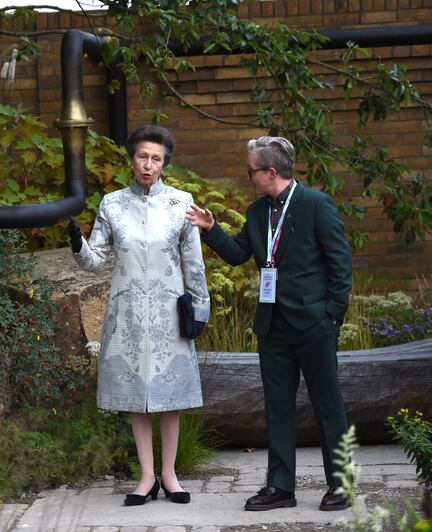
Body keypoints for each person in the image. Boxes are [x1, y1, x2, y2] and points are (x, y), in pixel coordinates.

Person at [186, 136, 352, 512]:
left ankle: (341, 484)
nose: (248, 177)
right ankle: (280, 487)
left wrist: (332, 316)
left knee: (328, 404)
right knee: (277, 407)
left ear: (271, 171)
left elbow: (341, 265)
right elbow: (238, 255)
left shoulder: (316, 205)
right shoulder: (257, 212)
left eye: (251, 171)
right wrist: (210, 229)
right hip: (272, 325)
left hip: (314, 323)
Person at [69, 124, 210, 506]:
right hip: (127, 311)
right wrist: (77, 244)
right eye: (142, 156)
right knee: (135, 397)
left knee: (169, 395)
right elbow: (95, 262)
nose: (148, 164)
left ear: (165, 163)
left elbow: (193, 263)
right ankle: (146, 477)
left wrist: (200, 308)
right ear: (131, 158)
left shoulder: (182, 202)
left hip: (168, 311)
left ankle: (170, 474)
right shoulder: (112, 204)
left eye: (156, 158)